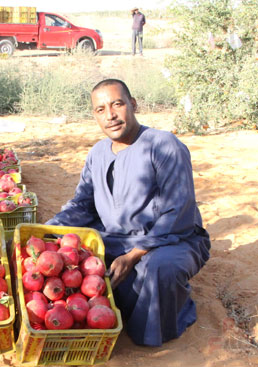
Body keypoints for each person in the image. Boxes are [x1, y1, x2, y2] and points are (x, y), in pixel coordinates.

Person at [46, 79, 211, 346]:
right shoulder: (97, 153)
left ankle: (164, 321)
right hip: (116, 239)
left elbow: (177, 210)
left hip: (172, 239)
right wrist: (47, 230)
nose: (110, 115)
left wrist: (133, 255)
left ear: (132, 105)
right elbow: (82, 205)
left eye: (117, 104)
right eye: (100, 110)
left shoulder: (164, 145)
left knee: (159, 269)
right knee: (78, 262)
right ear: (95, 116)